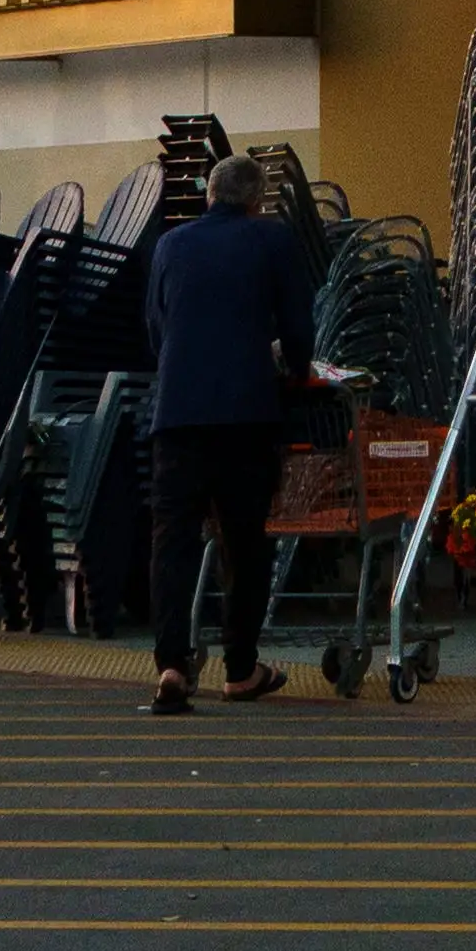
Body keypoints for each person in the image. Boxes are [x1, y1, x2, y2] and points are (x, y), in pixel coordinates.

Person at [138, 150, 315, 715]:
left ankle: (171, 663)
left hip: (178, 413)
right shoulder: (274, 241)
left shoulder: (171, 244)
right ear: (256, 198)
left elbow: (156, 326)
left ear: (210, 195)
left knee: (173, 541)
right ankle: (240, 668)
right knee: (245, 542)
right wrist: (297, 377)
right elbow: (297, 327)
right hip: (246, 413)